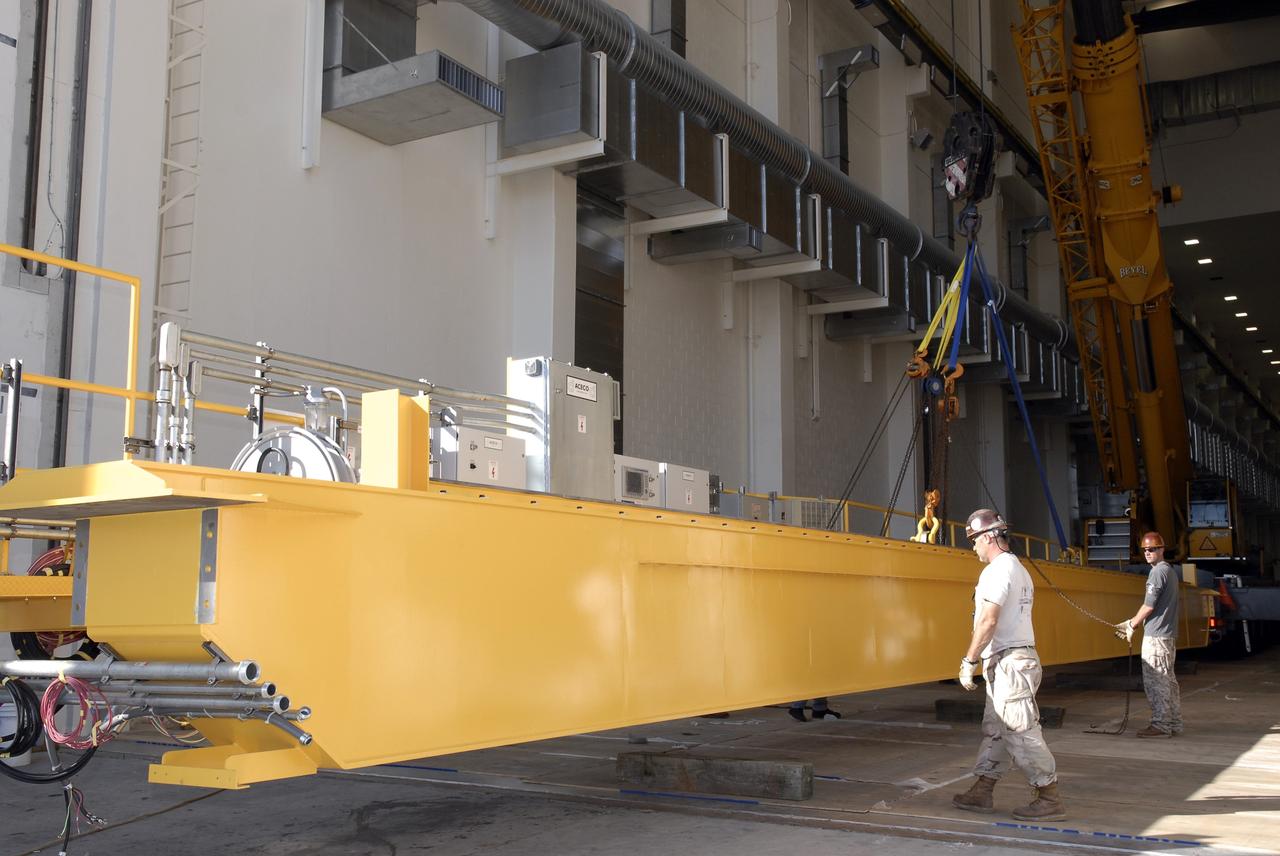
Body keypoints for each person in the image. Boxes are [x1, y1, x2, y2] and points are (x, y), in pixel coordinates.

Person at [952, 508, 1065, 821]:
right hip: (1009, 661)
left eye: (974, 539)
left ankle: (1049, 796)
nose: (972, 546)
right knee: (998, 730)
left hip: (1010, 664)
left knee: (1020, 731)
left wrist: (968, 660)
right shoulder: (1016, 568)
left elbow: (988, 620)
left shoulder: (998, 570)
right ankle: (983, 789)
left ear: (989, 536)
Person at [1116, 531, 1183, 738]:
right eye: (1145, 550)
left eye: (1152, 549)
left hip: (1156, 637)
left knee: (1157, 682)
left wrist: (1131, 624)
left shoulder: (1157, 573)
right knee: (1168, 681)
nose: (1148, 553)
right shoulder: (1170, 572)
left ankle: (1161, 725)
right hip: (1167, 636)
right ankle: (1173, 723)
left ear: (1162, 550)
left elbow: (1149, 606)